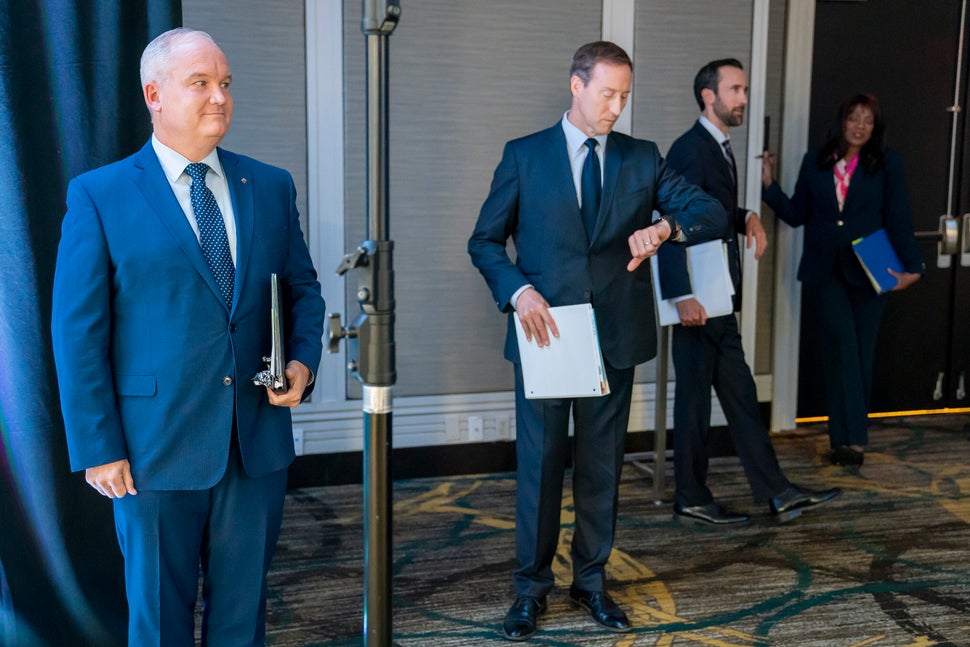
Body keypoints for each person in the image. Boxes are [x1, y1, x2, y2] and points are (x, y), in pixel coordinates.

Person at [51, 28, 326, 646]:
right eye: (199, 83)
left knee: (242, 619)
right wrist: (98, 444)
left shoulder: (271, 185)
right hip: (150, 450)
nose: (219, 97)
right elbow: (77, 334)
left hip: (253, 443)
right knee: (159, 622)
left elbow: (304, 291)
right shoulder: (100, 194)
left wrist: (303, 365)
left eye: (225, 83)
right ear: (154, 93)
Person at [468, 41, 724, 641]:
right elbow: (484, 242)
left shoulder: (643, 157)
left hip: (614, 336)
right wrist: (518, 292)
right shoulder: (524, 155)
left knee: (601, 467)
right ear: (576, 85)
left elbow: (710, 212)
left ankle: (592, 582)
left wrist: (664, 228)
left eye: (624, 96)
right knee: (540, 467)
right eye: (606, 93)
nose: (615, 107)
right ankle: (529, 590)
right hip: (547, 334)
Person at [655, 59, 841, 527]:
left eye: (745, 89)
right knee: (695, 402)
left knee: (739, 394)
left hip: (717, 297)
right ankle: (692, 495)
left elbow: (710, 210)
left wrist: (746, 218)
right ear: (708, 96)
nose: (743, 98)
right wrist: (681, 296)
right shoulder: (689, 149)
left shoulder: (717, 146)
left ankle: (776, 491)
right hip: (700, 300)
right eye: (735, 89)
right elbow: (669, 219)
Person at [762, 92, 923, 466]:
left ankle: (849, 442)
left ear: (875, 127)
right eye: (854, 118)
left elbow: (899, 216)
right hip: (825, 270)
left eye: (868, 120)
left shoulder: (886, 163)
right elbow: (798, 213)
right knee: (843, 347)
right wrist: (770, 187)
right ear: (842, 121)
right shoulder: (815, 162)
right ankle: (849, 439)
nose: (860, 126)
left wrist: (914, 269)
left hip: (871, 268)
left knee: (858, 353)